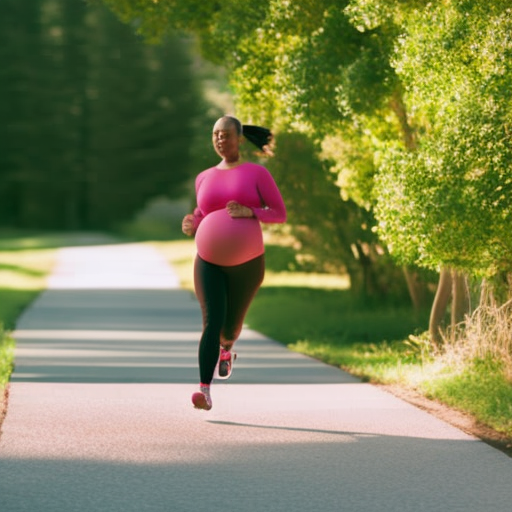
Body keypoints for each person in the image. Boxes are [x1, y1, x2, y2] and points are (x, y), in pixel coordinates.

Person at [182, 115, 286, 411]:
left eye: (226, 134)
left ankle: (226, 350)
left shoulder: (256, 173)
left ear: (239, 138)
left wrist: (249, 211)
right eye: (215, 134)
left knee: (229, 328)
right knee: (211, 323)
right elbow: (203, 213)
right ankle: (204, 390)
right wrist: (193, 223)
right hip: (207, 261)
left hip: (248, 262)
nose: (220, 139)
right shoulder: (203, 176)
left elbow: (278, 213)